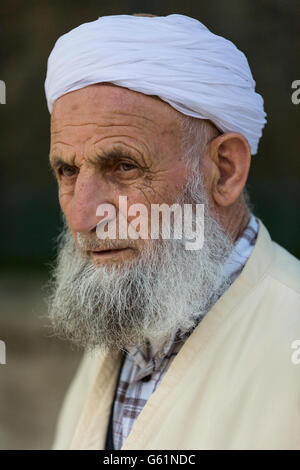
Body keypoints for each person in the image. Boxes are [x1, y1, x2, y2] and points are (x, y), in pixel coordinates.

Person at [44, 13, 300, 450]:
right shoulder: (133, 311)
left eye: (124, 166)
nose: (83, 215)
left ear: (224, 170)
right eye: (67, 171)